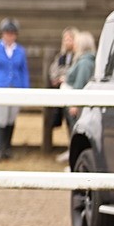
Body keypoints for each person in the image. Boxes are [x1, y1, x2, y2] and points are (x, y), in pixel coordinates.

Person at [0, 17, 29, 162]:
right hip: (0, 88)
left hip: (15, 87)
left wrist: (25, 89)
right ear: (3, 34)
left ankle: (8, 148)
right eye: (7, 33)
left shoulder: (20, 51)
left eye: (12, 33)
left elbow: (24, 71)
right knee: (0, 119)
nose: (9, 35)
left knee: (11, 118)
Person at [47, 26, 77, 160]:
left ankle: (74, 149)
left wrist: (64, 76)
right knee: (67, 122)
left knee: (74, 123)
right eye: (65, 39)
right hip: (63, 94)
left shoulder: (78, 57)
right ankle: (70, 148)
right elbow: (54, 71)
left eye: (70, 38)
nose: (67, 41)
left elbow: (71, 74)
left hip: (74, 94)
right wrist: (59, 77)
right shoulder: (61, 57)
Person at [63, 30, 96, 135]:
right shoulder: (82, 60)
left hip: (76, 104)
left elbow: (80, 82)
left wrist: (75, 103)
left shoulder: (85, 62)